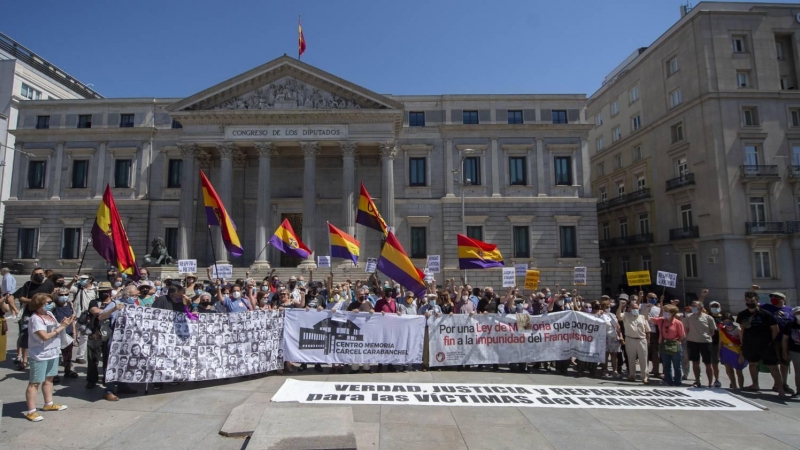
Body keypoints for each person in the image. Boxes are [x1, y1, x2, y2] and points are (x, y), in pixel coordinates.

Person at [23, 293, 73, 421]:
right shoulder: (35, 319)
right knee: (35, 383)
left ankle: (48, 403)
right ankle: (31, 410)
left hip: (53, 352)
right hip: (40, 354)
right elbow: (44, 336)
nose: (51, 304)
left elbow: (55, 328)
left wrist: (63, 324)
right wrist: (60, 328)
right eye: (48, 302)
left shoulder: (50, 315)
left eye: (51, 301)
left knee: (49, 379)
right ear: (39, 304)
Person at [737, 291, 786, 397]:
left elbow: (775, 329)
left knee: (772, 366)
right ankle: (755, 385)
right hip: (750, 345)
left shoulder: (766, 314)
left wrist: (769, 340)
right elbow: (742, 330)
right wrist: (743, 344)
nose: (750, 302)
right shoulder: (742, 314)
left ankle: (780, 388)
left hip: (765, 345)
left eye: (752, 300)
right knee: (753, 364)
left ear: (757, 300)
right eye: (748, 301)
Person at [10, 268, 56, 371]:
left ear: (44, 274)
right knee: (25, 336)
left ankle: (43, 358)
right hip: (29, 314)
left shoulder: (49, 284)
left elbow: (52, 296)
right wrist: (35, 301)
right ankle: (24, 361)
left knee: (45, 336)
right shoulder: (28, 284)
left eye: (40, 273)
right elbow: (21, 298)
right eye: (36, 274)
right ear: (32, 275)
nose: (39, 275)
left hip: (44, 315)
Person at [85, 282, 116, 400]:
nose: (104, 293)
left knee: (109, 359)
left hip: (110, 334)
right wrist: (113, 309)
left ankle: (106, 379)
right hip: (96, 333)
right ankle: (91, 380)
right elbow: (96, 312)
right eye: (101, 291)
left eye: (106, 291)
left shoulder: (115, 302)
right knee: (93, 358)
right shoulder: (95, 302)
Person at [761, 292, 795, 395]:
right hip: (774, 339)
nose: (773, 299)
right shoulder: (768, 307)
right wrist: (752, 289)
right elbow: (754, 303)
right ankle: (777, 384)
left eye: (776, 297)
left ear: (782, 299)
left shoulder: (790, 310)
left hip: (787, 340)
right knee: (774, 363)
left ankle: (784, 384)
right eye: (772, 297)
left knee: (785, 363)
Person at [650, 304, 686, 386]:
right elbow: (647, 319)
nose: (665, 313)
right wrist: (647, 309)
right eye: (664, 311)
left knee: (677, 366)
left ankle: (677, 382)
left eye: (667, 311)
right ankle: (668, 381)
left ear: (672, 313)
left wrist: (676, 342)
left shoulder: (678, 323)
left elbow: (683, 335)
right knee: (666, 365)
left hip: (675, 346)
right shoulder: (661, 320)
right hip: (664, 345)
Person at [685, 293, 716, 388]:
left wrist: (704, 337)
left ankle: (710, 383)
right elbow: (687, 329)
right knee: (695, 362)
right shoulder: (689, 316)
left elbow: (712, 331)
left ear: (701, 308)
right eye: (692, 306)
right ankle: (697, 381)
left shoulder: (708, 317)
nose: (693, 308)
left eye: (695, 306)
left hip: (705, 342)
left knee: (708, 363)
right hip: (692, 342)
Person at [617, 298, 649, 383]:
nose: (635, 310)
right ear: (630, 309)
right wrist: (620, 306)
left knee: (643, 359)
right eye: (633, 308)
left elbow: (647, 330)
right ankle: (632, 375)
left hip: (641, 340)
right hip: (630, 339)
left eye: (637, 308)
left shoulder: (642, 317)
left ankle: (644, 377)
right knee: (631, 358)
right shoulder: (626, 315)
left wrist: (648, 341)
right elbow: (618, 316)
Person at [69, 274, 96, 365]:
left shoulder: (95, 290)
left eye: (84, 279)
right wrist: (73, 281)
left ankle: (80, 356)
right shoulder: (78, 288)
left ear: (90, 280)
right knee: (70, 336)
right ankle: (66, 357)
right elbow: (67, 288)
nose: (82, 280)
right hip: (75, 316)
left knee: (84, 337)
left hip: (87, 316)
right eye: (81, 279)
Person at [53, 287, 78, 382]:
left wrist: (74, 331)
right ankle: (54, 373)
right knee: (56, 353)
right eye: (61, 295)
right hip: (57, 331)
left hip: (68, 331)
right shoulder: (53, 305)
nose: (64, 297)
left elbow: (72, 318)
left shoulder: (69, 304)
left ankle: (68, 370)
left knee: (68, 353)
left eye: (66, 294)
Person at [718, 312, 747, 389]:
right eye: (725, 321)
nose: (727, 322)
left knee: (738, 370)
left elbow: (742, 342)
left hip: (736, 350)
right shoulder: (722, 330)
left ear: (732, 320)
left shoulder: (738, 329)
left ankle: (741, 387)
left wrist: (742, 355)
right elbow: (720, 342)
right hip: (726, 350)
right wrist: (719, 353)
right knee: (729, 370)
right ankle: (734, 386)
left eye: (729, 320)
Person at [781, 307, 800, 397]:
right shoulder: (790, 325)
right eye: (798, 313)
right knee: (798, 372)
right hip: (795, 351)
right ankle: (799, 391)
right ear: (794, 315)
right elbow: (785, 339)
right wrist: (785, 351)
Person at [707, 300, 724, 388]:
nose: (715, 308)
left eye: (716, 306)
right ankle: (716, 380)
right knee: (714, 363)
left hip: (724, 343)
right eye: (713, 306)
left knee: (728, 364)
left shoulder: (724, 317)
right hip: (713, 343)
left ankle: (733, 382)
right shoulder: (708, 316)